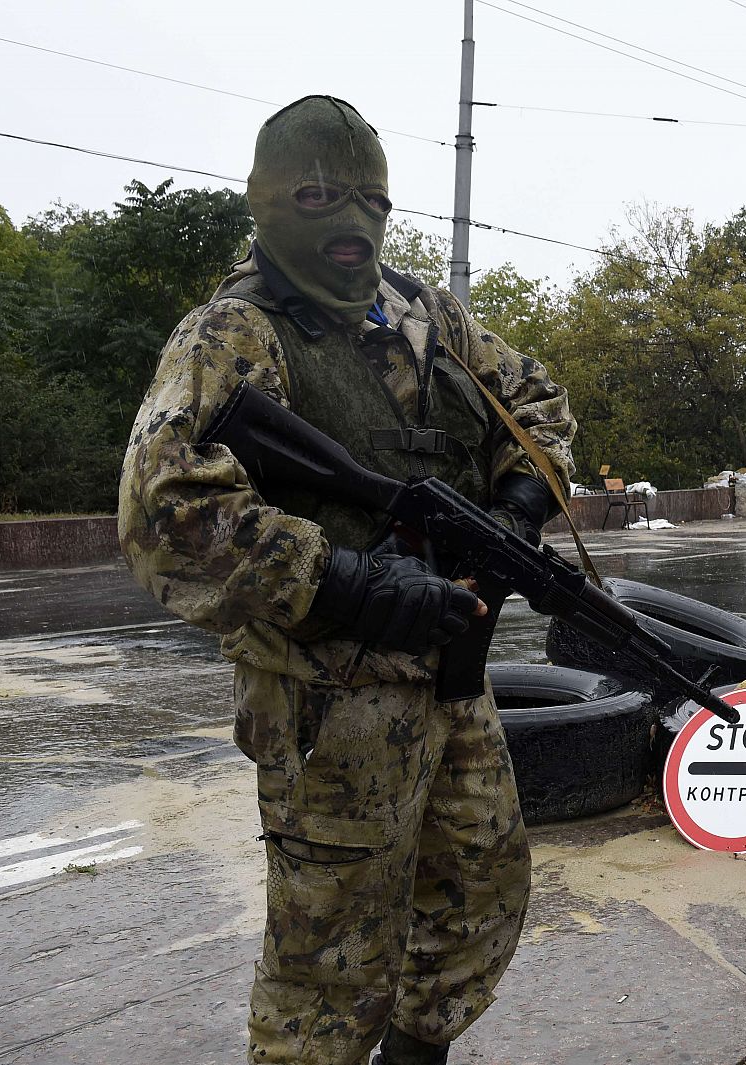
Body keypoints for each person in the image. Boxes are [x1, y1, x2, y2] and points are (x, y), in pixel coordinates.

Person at [119, 95, 577, 1065]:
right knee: (329, 964)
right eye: (321, 196)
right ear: (270, 202)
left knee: (478, 898)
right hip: (328, 701)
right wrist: (351, 585)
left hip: (452, 675)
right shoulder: (233, 334)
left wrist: (518, 510)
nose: (351, 222)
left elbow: (535, 400)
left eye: (369, 198)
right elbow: (168, 510)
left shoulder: (430, 316)